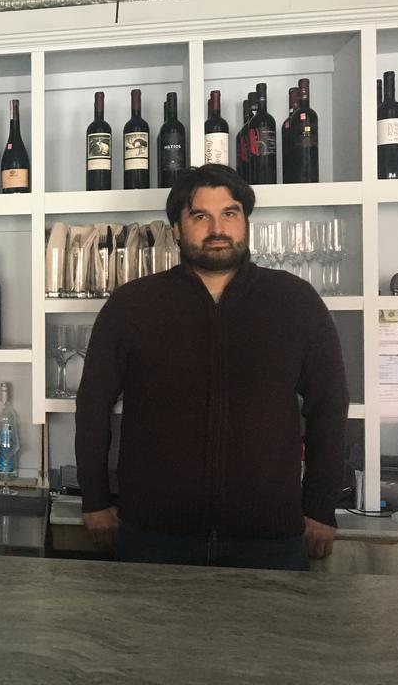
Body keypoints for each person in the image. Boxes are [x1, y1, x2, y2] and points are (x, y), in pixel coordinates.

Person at [75, 164, 348, 571]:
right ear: (176, 230)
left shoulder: (295, 301)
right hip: (153, 535)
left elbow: (329, 407)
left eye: (230, 213)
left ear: (246, 222)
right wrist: (95, 500)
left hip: (270, 538)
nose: (217, 228)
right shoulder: (133, 305)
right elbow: (92, 406)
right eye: (200, 215)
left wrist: (321, 507)